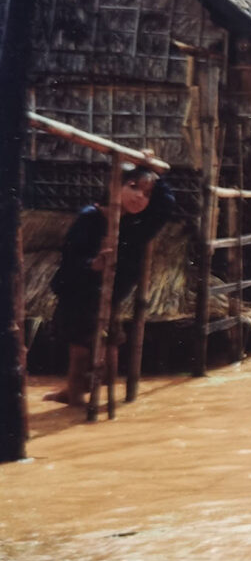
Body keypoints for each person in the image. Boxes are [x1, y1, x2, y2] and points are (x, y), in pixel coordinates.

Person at [44, 164, 175, 406]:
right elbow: (71, 257)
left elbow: (166, 205)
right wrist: (93, 264)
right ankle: (74, 396)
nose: (139, 196)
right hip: (80, 294)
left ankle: (90, 396)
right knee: (81, 348)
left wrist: (157, 175)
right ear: (115, 186)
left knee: (111, 346)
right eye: (133, 187)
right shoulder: (90, 218)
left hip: (111, 295)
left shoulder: (136, 224)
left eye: (146, 194)